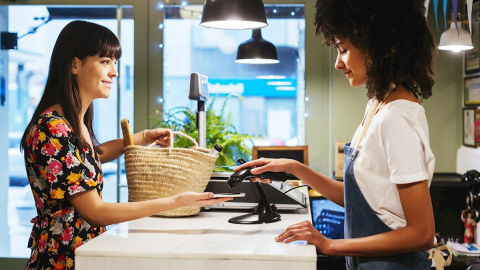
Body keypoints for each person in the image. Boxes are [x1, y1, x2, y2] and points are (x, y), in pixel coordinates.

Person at [235, 0, 438, 269]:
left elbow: (422, 233)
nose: (337, 63)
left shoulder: (397, 117)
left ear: (378, 46)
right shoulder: (378, 105)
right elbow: (360, 199)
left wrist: (328, 244)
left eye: (342, 50)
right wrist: (294, 168)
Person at [20, 20, 232, 270]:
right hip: (62, 261)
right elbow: (95, 212)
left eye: (115, 63)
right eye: (105, 62)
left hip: (84, 254)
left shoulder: (71, 121)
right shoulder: (52, 128)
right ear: (75, 64)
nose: (115, 72)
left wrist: (141, 138)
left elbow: (89, 158)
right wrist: (177, 201)